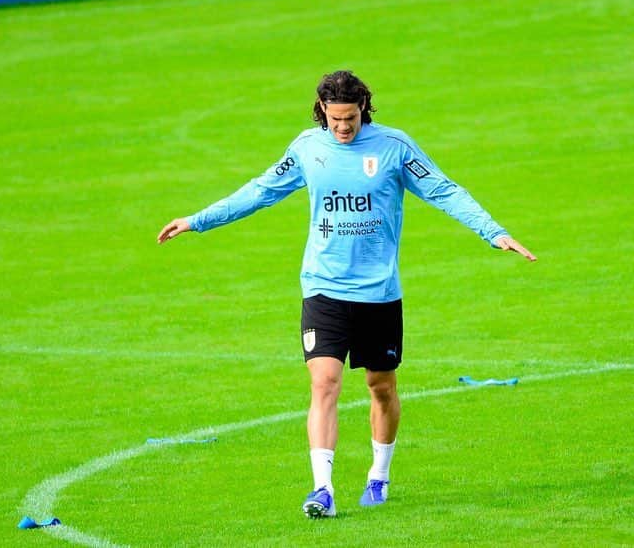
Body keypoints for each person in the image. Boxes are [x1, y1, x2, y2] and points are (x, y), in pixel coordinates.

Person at [158, 70, 535, 518]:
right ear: (321, 110)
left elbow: (443, 190)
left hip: (378, 293)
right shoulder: (306, 149)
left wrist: (493, 232)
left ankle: (379, 475)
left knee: (381, 386)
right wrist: (198, 220)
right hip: (323, 287)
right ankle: (323, 490)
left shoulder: (394, 148)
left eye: (350, 118)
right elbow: (260, 191)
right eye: (335, 119)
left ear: (364, 110)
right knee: (325, 384)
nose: (342, 127)